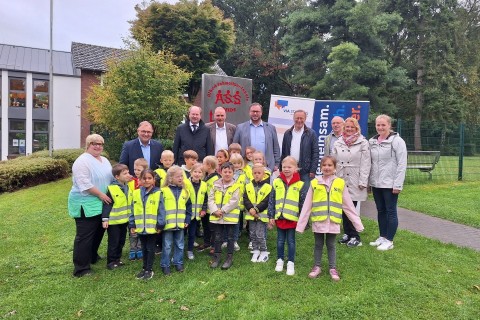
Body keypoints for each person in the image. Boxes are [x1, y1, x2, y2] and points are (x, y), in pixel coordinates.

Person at [296, 156, 364, 281]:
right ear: (321, 167)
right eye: (324, 165)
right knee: (318, 244)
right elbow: (307, 205)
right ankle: (317, 267)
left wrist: (357, 224)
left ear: (335, 168)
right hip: (319, 220)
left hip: (333, 221)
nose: (327, 167)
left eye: (330, 165)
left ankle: (333, 268)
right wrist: (301, 225)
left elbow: (348, 205)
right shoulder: (314, 183)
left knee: (331, 244)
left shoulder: (340, 183)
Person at [68, 134, 113, 277]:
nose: (98, 146)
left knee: (99, 231)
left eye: (101, 144)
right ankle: (81, 268)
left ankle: (92, 256)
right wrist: (101, 194)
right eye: (94, 143)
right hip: (85, 202)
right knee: (85, 236)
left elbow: (111, 177)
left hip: (102, 201)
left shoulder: (104, 160)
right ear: (88, 144)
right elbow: (84, 184)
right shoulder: (82, 162)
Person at [368, 114, 407, 251]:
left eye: (383, 125)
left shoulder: (397, 141)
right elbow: (369, 163)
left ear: (389, 125)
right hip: (376, 183)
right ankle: (382, 236)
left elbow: (402, 164)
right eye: (378, 125)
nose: (380, 127)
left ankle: (390, 240)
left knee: (391, 211)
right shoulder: (371, 141)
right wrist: (369, 182)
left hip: (390, 184)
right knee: (380, 210)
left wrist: (398, 184)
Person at [332, 117, 371, 247]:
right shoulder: (338, 142)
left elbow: (366, 163)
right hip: (341, 177)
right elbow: (333, 161)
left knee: (351, 208)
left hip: (355, 178)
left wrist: (363, 181)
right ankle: (347, 233)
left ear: (356, 129)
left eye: (351, 127)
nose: (349, 129)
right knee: (343, 207)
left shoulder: (363, 143)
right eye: (347, 127)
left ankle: (356, 235)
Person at [268, 156, 307, 276]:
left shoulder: (300, 184)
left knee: (291, 241)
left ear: (296, 168)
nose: (286, 169)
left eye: (289, 167)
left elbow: (302, 203)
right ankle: (280, 260)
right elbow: (272, 200)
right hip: (279, 217)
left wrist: (303, 220)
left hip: (292, 218)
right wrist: (271, 216)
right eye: (284, 167)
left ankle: (290, 262)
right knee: (280, 241)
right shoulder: (276, 182)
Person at [158, 166, 192, 275]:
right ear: (170, 178)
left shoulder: (185, 191)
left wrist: (187, 219)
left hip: (180, 223)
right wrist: (160, 222)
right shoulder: (163, 191)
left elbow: (188, 207)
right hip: (168, 224)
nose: (181, 178)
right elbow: (160, 208)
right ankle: (165, 264)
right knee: (167, 245)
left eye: (182, 176)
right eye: (178, 176)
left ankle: (178, 262)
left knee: (180, 244)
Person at [129, 169, 161, 280]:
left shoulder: (158, 193)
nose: (146, 180)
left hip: (152, 228)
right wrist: (132, 224)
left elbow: (161, 210)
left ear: (153, 180)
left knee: (150, 248)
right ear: (140, 180)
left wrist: (160, 225)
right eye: (144, 178)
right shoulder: (136, 193)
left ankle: (149, 269)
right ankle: (144, 268)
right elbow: (132, 210)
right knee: (143, 247)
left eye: (149, 178)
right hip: (140, 227)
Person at [208, 162, 241, 270]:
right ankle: (217, 257)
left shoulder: (236, 186)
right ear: (220, 172)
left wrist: (222, 210)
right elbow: (210, 199)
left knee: (230, 238)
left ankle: (229, 258)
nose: (227, 174)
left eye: (230, 172)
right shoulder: (215, 184)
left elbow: (234, 201)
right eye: (225, 171)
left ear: (233, 173)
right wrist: (214, 210)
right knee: (217, 237)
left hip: (230, 216)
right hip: (216, 216)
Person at [233, 103, 280, 172]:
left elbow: (276, 147)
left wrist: (276, 164)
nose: (255, 113)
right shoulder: (240, 128)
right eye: (253, 111)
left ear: (261, 113)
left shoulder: (270, 128)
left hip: (267, 166)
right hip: (246, 166)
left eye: (257, 111)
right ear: (249, 112)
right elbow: (235, 147)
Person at [101, 164, 132, 270]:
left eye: (128, 172)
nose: (128, 175)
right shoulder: (112, 189)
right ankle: (111, 262)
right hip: (114, 222)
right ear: (117, 177)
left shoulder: (127, 186)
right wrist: (105, 219)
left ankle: (117, 259)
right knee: (114, 242)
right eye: (125, 173)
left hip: (124, 220)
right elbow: (107, 204)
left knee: (121, 241)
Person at [280, 109, 319, 183]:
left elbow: (315, 153)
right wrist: (281, 168)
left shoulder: (311, 133)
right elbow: (284, 152)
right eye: (297, 118)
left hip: (305, 171)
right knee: (291, 193)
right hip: (289, 170)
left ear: (305, 119)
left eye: (301, 118)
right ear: (293, 118)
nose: (299, 120)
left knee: (304, 193)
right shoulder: (287, 133)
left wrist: (313, 170)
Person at [244, 163, 272, 263]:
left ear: (263, 174)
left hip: (261, 216)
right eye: (255, 173)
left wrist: (256, 209)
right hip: (251, 216)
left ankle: (264, 251)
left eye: (259, 173)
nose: (256, 175)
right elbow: (245, 199)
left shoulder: (268, 187)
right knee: (252, 234)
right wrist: (250, 209)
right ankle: (255, 250)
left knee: (260, 234)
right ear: (252, 173)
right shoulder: (248, 186)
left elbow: (266, 201)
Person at [196, 156, 220, 253]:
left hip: (213, 209)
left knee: (213, 228)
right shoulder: (205, 176)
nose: (202, 166)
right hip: (205, 208)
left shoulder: (216, 178)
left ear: (209, 165)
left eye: (203, 164)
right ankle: (207, 243)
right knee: (205, 226)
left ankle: (214, 246)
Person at [184, 163, 208, 260]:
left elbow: (205, 199)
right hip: (185, 214)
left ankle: (189, 250)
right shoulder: (185, 183)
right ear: (191, 172)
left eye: (200, 172)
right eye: (195, 172)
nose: (197, 174)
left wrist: (204, 209)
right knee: (182, 234)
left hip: (196, 215)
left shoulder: (204, 185)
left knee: (192, 233)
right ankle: (179, 251)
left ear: (203, 174)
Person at [127, 158, 148, 260]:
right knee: (132, 229)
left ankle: (140, 248)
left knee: (141, 229)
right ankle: (132, 248)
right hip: (133, 208)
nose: (136, 172)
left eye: (138, 170)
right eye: (135, 169)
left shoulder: (147, 181)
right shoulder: (131, 181)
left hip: (143, 210)